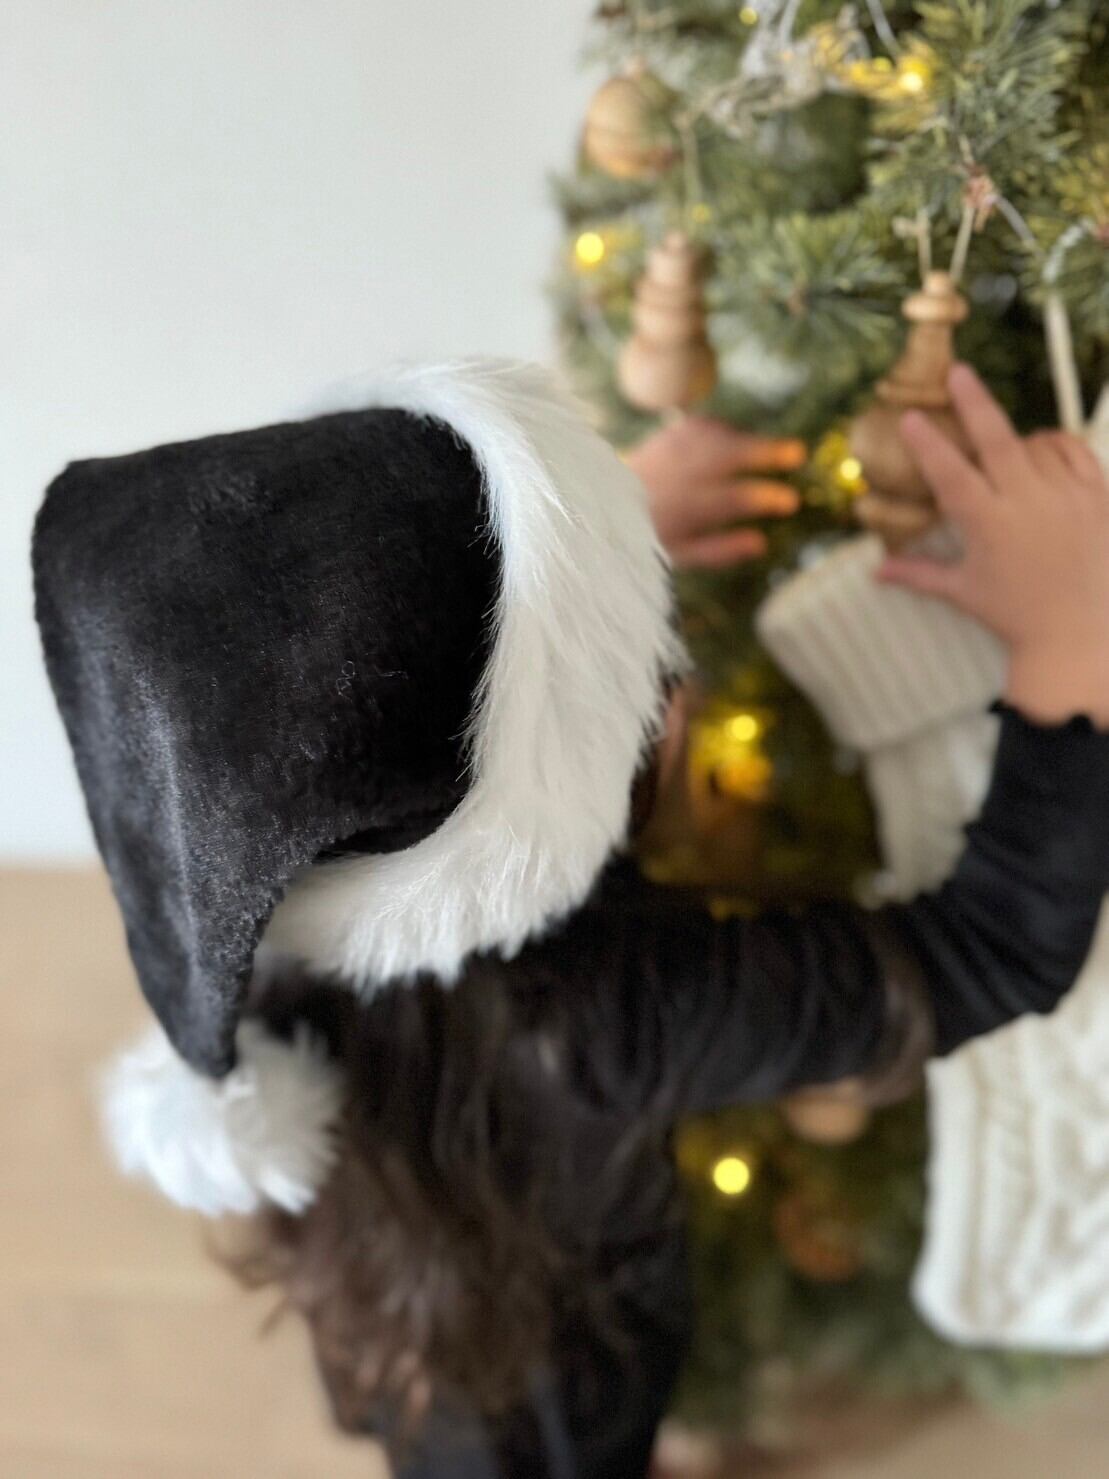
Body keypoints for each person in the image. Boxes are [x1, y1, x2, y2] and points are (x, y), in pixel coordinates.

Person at [33, 361, 1109, 1479]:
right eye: (639, 662)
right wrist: (1070, 648)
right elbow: (995, 952)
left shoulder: (257, 890)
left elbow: (384, 683)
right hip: (557, 1406)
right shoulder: (607, 1012)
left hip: (383, 1321)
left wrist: (583, 538)